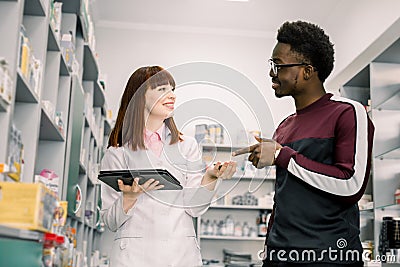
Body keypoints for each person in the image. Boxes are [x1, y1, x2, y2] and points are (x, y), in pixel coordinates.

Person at [233, 21, 374, 266]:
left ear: (307, 71)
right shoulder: (284, 126)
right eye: (271, 65)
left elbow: (351, 184)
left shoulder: (348, 112)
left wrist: (281, 155)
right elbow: (285, 196)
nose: (271, 73)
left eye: (278, 65)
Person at [101, 66, 237, 267]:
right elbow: (110, 222)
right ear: (138, 97)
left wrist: (210, 178)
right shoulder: (118, 152)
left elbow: (195, 209)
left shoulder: (186, 146)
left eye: (172, 89)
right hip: (134, 256)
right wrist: (128, 198)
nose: (172, 95)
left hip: (179, 254)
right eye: (161, 89)